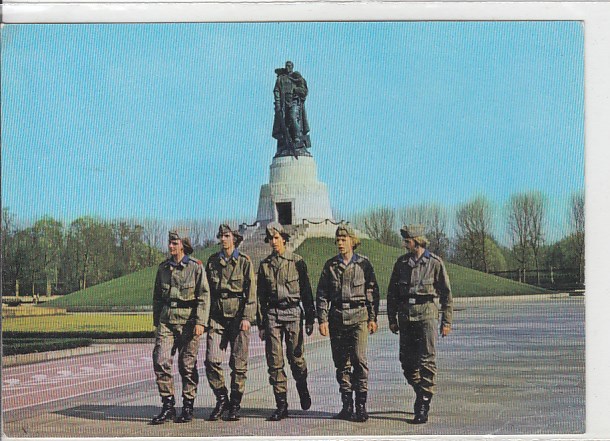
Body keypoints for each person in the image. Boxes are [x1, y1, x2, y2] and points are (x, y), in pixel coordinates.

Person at [387, 225, 453, 424]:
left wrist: (446, 321)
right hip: (406, 317)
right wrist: (392, 319)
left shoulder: (434, 263)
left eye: (407, 241)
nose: (405, 244)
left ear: (416, 241)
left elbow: (446, 294)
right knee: (407, 362)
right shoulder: (401, 264)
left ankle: (423, 403)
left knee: (427, 360)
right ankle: (421, 390)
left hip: (427, 315)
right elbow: (392, 294)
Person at [316, 224, 380, 422]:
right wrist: (323, 319)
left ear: (353, 241)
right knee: (341, 363)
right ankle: (347, 404)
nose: (340, 243)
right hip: (337, 317)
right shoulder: (330, 266)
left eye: (344, 240)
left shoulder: (364, 264)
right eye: (338, 240)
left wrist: (372, 317)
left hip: (359, 316)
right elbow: (322, 294)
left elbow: (372, 292)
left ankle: (361, 405)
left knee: (359, 359)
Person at [256, 222, 316, 421]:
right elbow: (260, 297)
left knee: (296, 358)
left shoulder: (297, 261)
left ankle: (302, 384)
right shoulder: (265, 265)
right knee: (275, 361)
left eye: (276, 238)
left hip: (293, 313)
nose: (273, 242)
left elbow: (306, 291)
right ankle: (281, 404)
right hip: (273, 314)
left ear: (284, 238)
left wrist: (310, 318)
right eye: (270, 239)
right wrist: (262, 323)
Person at [151, 230, 210, 425]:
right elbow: (158, 298)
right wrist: (156, 323)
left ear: (183, 245)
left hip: (189, 322)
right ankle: (168, 405)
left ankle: (187, 406)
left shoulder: (196, 268)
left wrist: (201, 322)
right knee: (160, 360)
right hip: (167, 320)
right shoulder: (163, 269)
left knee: (187, 366)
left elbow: (204, 296)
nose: (170, 246)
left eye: (174, 243)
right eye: (169, 243)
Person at [204, 224, 256, 422]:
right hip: (217, 317)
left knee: (238, 364)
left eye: (226, 236)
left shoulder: (244, 262)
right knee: (211, 360)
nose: (223, 239)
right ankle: (221, 397)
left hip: (237, 317)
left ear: (234, 238)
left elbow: (251, 293)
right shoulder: (212, 262)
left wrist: (247, 318)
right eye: (221, 236)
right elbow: (206, 292)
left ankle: (235, 402)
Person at [272, 60, 310, 155]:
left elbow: (304, 90)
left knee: (293, 117)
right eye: (286, 66)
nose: (288, 67)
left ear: (292, 67)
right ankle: (286, 142)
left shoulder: (297, 77)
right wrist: (277, 103)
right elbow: (276, 90)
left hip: (294, 101)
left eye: (289, 66)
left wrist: (296, 90)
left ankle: (298, 138)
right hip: (284, 104)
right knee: (285, 123)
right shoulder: (281, 79)